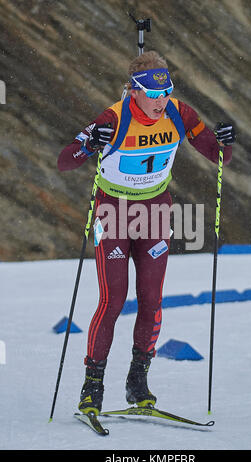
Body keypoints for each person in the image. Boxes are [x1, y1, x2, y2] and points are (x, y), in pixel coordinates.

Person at [58, 50, 235, 416]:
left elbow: (219, 157)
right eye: (153, 95)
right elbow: (65, 160)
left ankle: (138, 381)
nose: (160, 102)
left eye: (166, 93)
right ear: (134, 91)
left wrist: (226, 141)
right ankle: (92, 386)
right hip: (114, 210)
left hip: (154, 210)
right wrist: (91, 144)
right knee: (114, 299)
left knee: (152, 299)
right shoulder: (114, 117)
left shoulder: (179, 113)